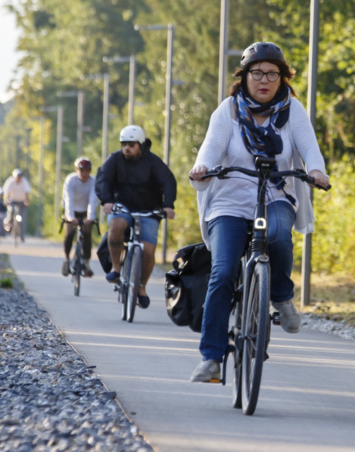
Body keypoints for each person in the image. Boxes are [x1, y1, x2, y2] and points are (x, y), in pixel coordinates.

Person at [187, 42, 330, 383]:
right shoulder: (229, 110)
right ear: (244, 76)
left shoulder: (292, 110)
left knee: (280, 235)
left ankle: (280, 296)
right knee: (222, 274)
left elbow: (310, 147)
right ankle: (211, 358)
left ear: (283, 78)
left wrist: (317, 170)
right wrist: (202, 166)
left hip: (275, 194)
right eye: (257, 73)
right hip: (229, 202)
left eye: (272, 73)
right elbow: (211, 146)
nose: (264, 80)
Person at [95, 125, 177, 309]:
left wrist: (168, 205)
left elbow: (168, 181)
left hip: (149, 209)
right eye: (124, 144)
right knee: (115, 226)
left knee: (148, 251)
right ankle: (116, 268)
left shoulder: (153, 162)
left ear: (140, 145)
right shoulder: (115, 160)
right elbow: (102, 179)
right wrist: (107, 200)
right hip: (122, 205)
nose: (127, 148)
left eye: (131, 144)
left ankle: (141, 288)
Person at [62, 157, 100, 277]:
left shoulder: (93, 181)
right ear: (76, 170)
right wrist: (70, 217)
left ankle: (86, 263)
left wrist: (90, 218)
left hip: (85, 211)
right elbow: (69, 200)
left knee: (87, 233)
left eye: (87, 170)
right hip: (72, 210)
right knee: (69, 233)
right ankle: (67, 259)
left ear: (90, 171)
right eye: (81, 170)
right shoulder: (71, 180)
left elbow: (93, 200)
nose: (84, 173)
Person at [2, 168, 30, 241]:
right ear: (14, 177)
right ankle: (9, 225)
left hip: (21, 201)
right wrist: (6, 201)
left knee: (22, 218)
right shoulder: (10, 182)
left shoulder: (24, 182)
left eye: (19, 177)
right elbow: (7, 192)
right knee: (11, 211)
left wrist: (27, 201)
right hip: (12, 200)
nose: (18, 178)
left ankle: (22, 235)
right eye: (17, 177)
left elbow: (27, 192)